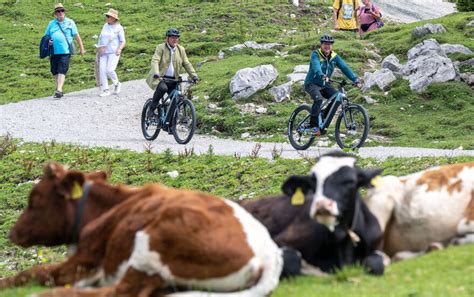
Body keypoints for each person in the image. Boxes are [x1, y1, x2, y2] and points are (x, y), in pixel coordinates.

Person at [304, 35, 361, 136]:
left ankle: (323, 115)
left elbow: (345, 67)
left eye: (329, 44)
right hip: (312, 83)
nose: (327, 46)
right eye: (325, 44)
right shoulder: (315, 54)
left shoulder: (334, 57)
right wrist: (321, 75)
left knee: (336, 98)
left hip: (325, 84)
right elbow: (316, 66)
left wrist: (355, 79)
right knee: (318, 99)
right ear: (321, 45)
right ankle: (313, 127)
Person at [146, 28, 199, 118]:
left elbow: (186, 63)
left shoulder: (181, 49)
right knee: (162, 88)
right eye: (172, 37)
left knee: (177, 99)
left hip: (174, 79)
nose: (175, 40)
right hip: (161, 78)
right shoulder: (161, 47)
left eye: (176, 38)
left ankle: (171, 123)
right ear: (167, 38)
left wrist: (194, 75)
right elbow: (155, 60)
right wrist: (156, 73)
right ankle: (151, 109)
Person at [44, 3, 85, 98]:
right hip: (53, 51)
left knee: (61, 69)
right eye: (58, 11)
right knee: (54, 70)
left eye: (61, 10)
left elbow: (77, 36)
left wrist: (81, 48)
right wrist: (48, 41)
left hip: (65, 51)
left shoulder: (70, 22)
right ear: (55, 13)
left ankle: (59, 90)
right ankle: (59, 89)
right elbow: (46, 36)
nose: (60, 13)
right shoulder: (51, 23)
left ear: (64, 12)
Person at [96, 8, 126, 97]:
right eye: (107, 16)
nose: (107, 17)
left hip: (113, 52)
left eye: (108, 16)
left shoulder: (119, 28)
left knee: (110, 70)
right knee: (102, 70)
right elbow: (101, 38)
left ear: (113, 18)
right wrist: (98, 49)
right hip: (103, 52)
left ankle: (117, 83)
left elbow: (123, 41)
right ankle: (106, 90)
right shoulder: (105, 25)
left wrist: (119, 49)